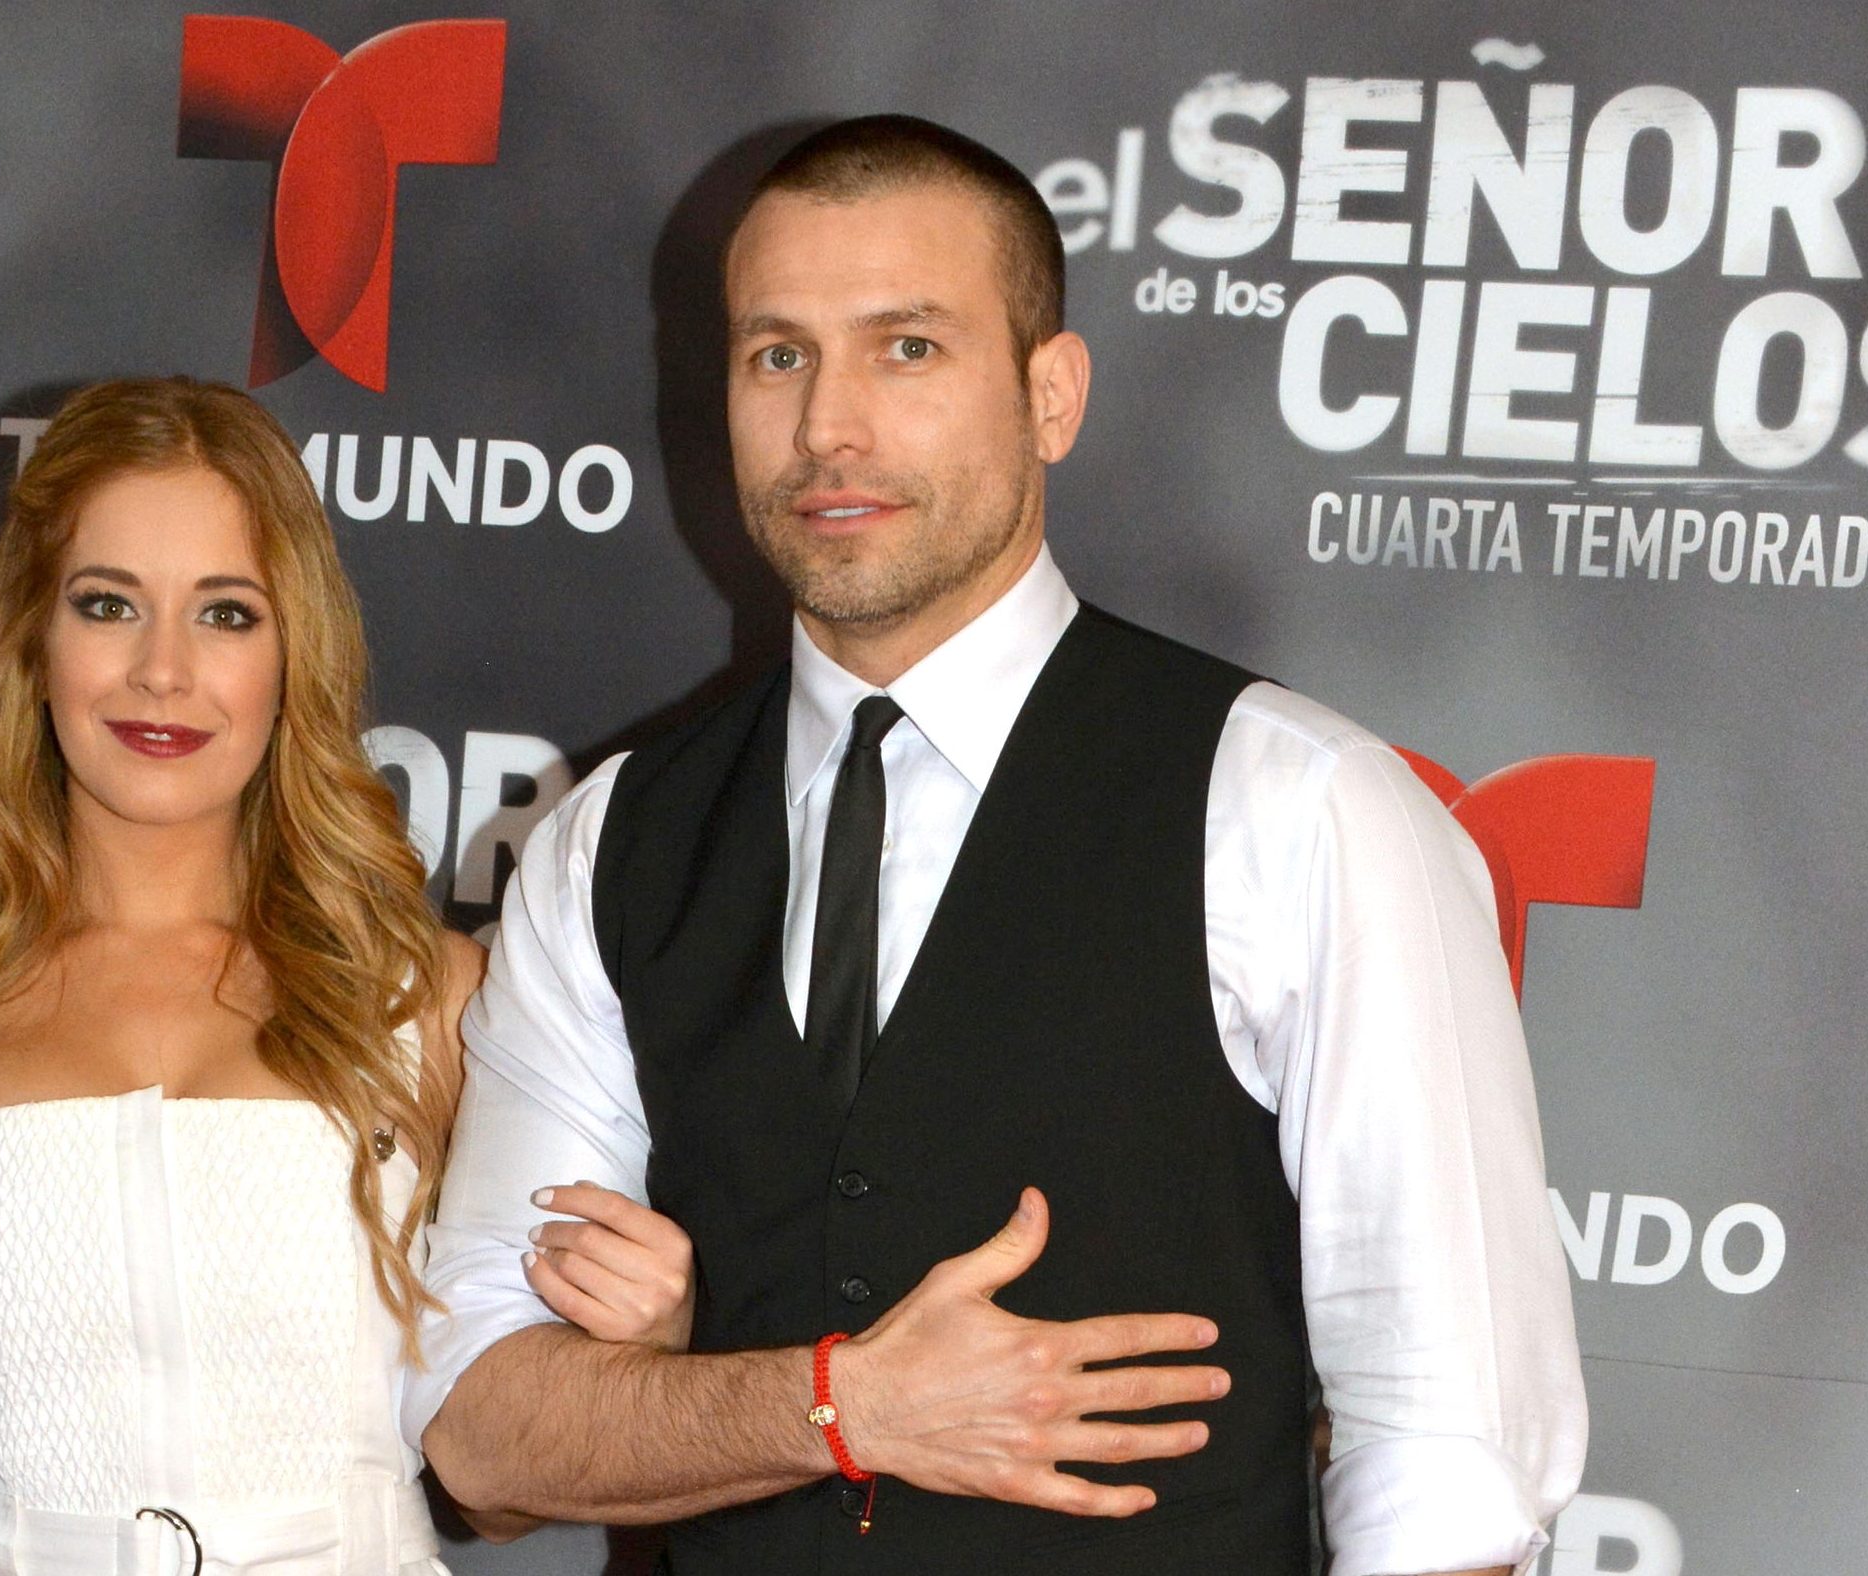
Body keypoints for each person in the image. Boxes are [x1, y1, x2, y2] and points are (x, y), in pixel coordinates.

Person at [408, 117, 1587, 1574]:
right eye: (776, 355)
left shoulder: (1298, 807)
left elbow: (1448, 1469)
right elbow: (482, 1437)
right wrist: (835, 1408)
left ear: (1050, 393)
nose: (828, 424)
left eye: (905, 348)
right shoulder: (609, 845)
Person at [0, 377, 694, 1575]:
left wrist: (650, 1339)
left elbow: (504, 1495)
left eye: (225, 614)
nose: (163, 671)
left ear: (291, 650)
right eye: (108, 604)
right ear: (30, 633)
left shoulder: (430, 998)